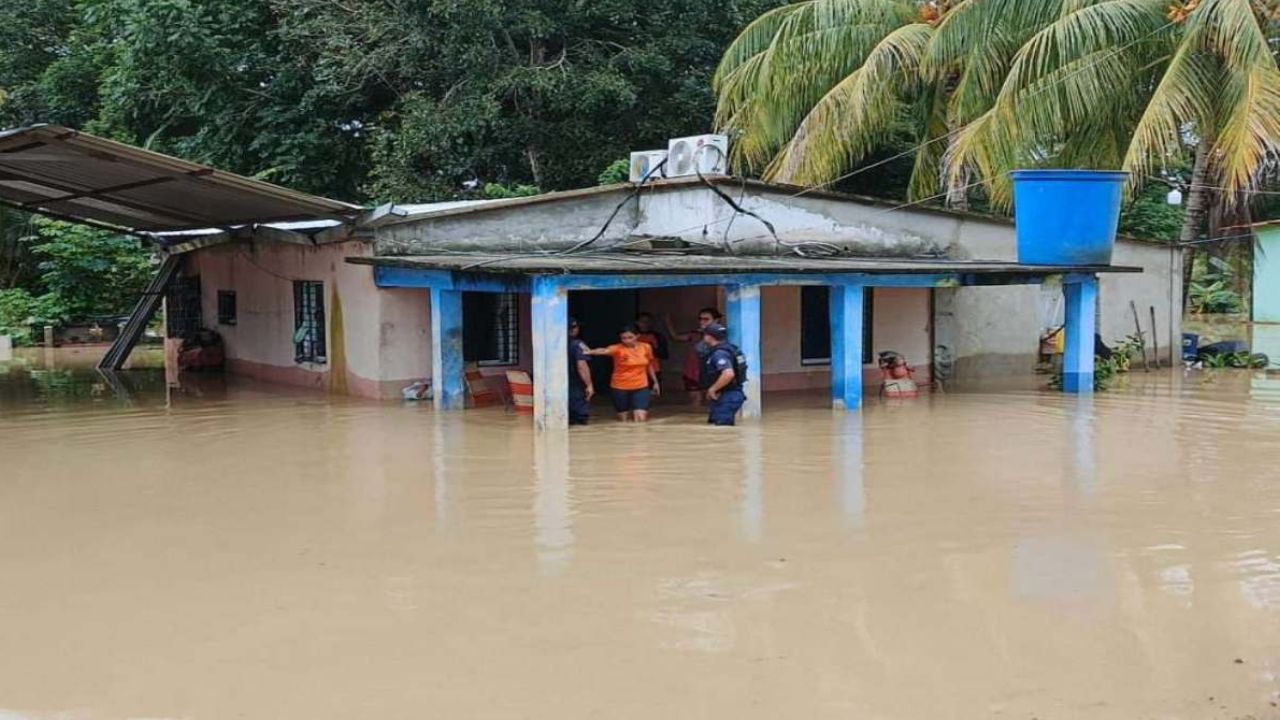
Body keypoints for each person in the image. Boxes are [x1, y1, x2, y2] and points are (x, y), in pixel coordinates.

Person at [586, 325, 660, 422]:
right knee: (623, 420)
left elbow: (649, 365)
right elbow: (604, 350)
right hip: (620, 387)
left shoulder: (646, 347)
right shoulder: (617, 348)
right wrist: (590, 352)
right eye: (623, 338)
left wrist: (655, 382)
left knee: (641, 419)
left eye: (630, 337)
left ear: (637, 336)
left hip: (641, 386)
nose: (627, 341)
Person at [665, 307, 723, 405]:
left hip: (711, 373)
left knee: (713, 401)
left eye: (706, 319)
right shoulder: (694, 334)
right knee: (695, 402)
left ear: (716, 320)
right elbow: (675, 337)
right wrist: (668, 322)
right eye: (700, 319)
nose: (702, 322)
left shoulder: (720, 335)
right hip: (692, 372)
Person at [701, 323, 746, 426]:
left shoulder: (719, 353)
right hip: (728, 394)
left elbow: (728, 374)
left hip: (728, 396)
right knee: (716, 429)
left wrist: (712, 389)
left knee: (722, 429)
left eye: (704, 334)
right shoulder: (731, 348)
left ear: (709, 337)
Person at [567, 318, 594, 426]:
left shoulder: (553, 343)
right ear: (573, 329)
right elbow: (581, 365)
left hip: (557, 385)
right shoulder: (578, 344)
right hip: (576, 385)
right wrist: (589, 385)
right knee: (580, 420)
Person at [633, 312, 669, 382]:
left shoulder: (658, 336)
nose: (645, 324)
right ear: (637, 322)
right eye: (642, 321)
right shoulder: (632, 336)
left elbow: (664, 354)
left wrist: (651, 349)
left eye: (648, 322)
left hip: (653, 370)